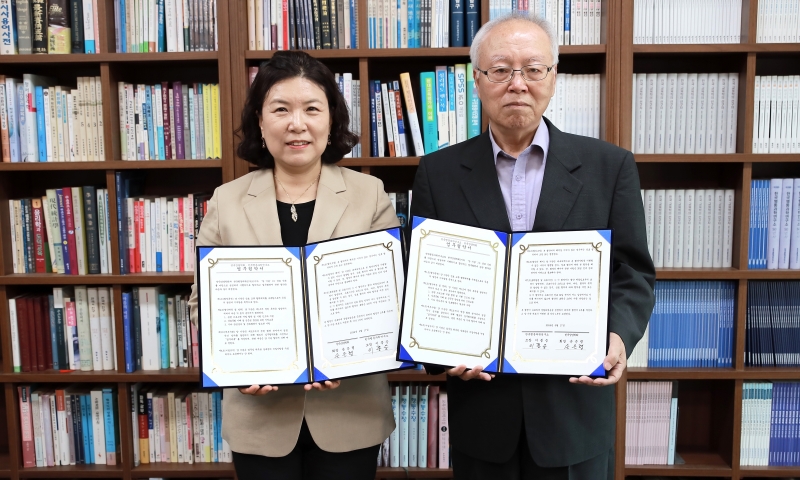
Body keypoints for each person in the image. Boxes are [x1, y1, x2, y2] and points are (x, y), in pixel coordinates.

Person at [409, 12, 656, 480]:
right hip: (483, 412)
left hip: (573, 410)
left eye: (533, 69)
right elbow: (424, 283)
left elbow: (634, 273)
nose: (517, 83)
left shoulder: (609, 167)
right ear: (477, 81)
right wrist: (442, 353)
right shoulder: (438, 174)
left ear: (553, 78)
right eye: (501, 70)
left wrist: (618, 337)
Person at [188, 50, 398, 480]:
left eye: (312, 109)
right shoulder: (227, 200)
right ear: (260, 121)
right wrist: (237, 366)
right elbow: (202, 304)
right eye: (281, 109)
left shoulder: (370, 195)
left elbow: (389, 299)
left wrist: (348, 355)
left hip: (350, 411)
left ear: (331, 120)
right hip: (259, 415)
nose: (296, 124)